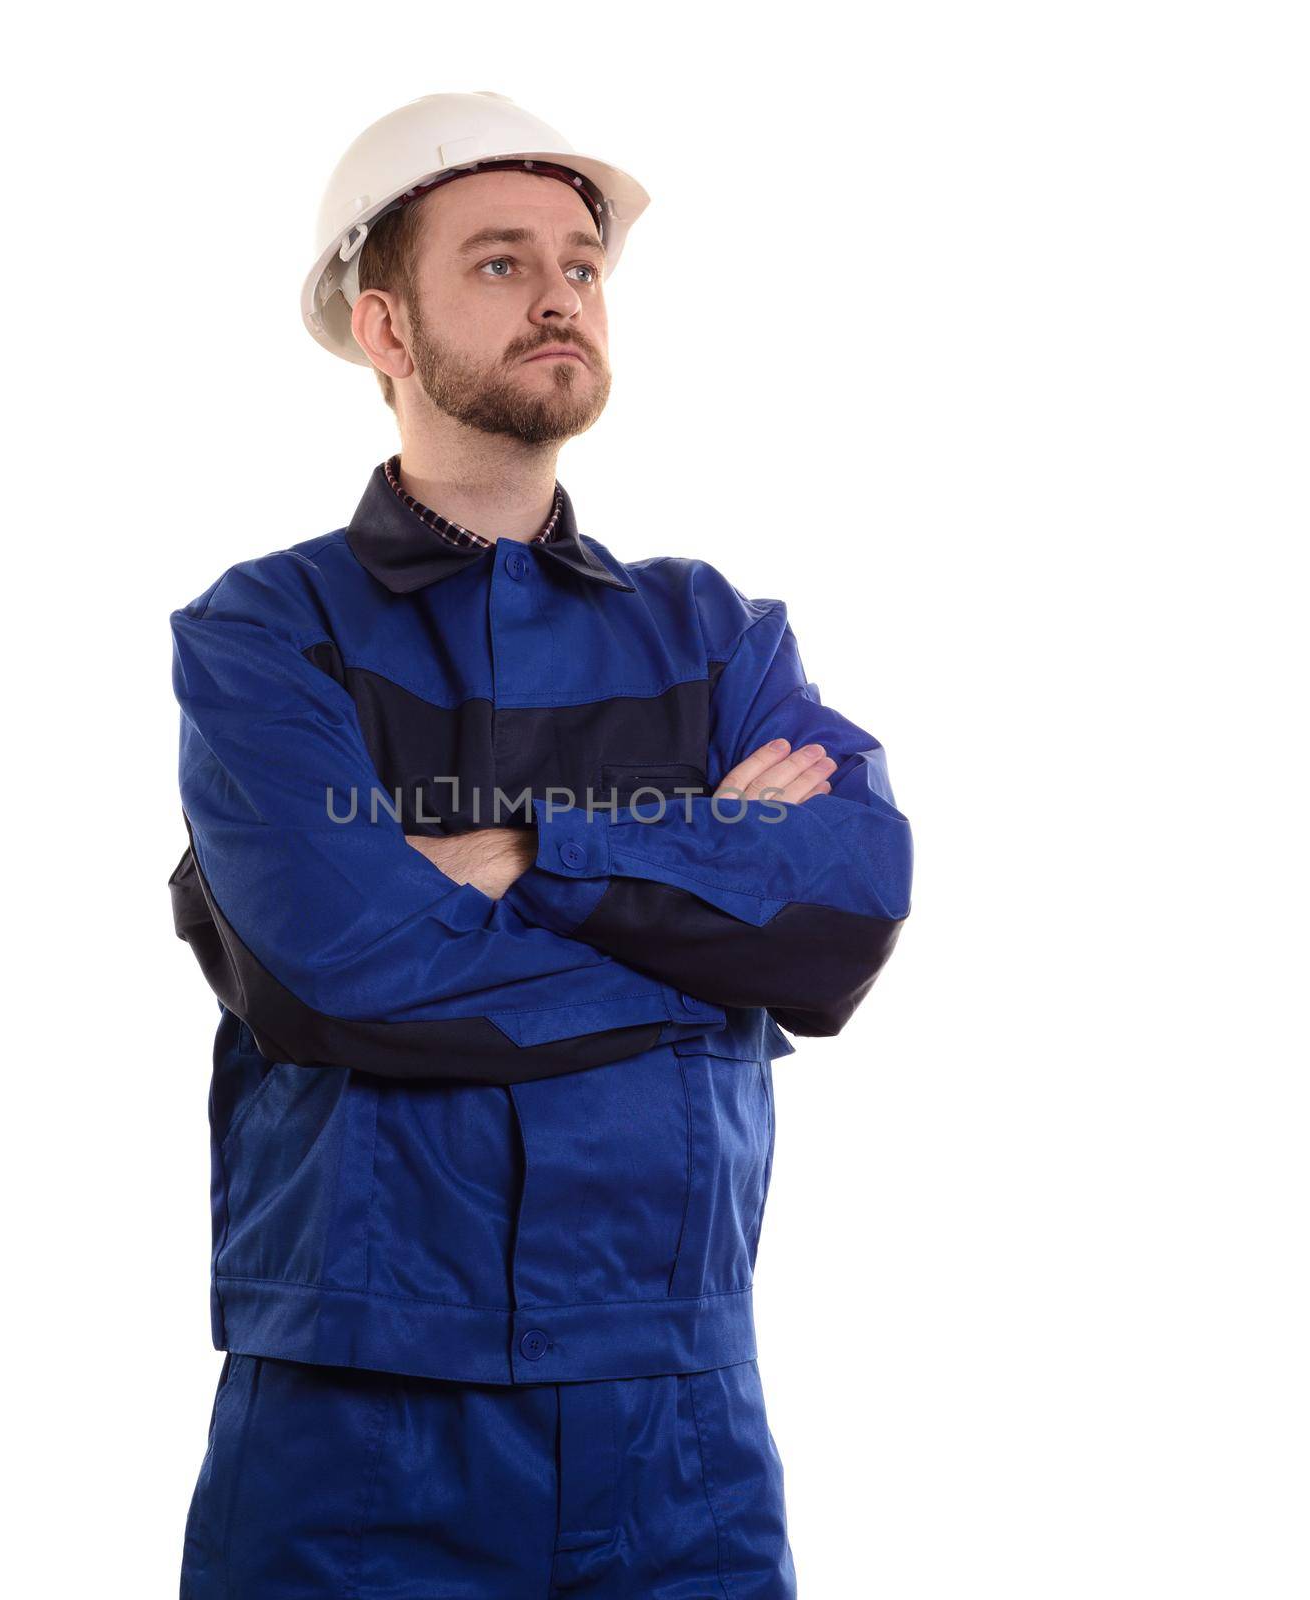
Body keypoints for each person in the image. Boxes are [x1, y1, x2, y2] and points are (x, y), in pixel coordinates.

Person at [168, 90, 913, 1598]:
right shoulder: (267, 632)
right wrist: (709, 952)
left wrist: (526, 853)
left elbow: (847, 909)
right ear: (386, 331)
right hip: (358, 1420)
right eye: (500, 264)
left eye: (580, 262)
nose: (562, 291)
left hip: (680, 1423)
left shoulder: (717, 634)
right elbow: (346, 968)